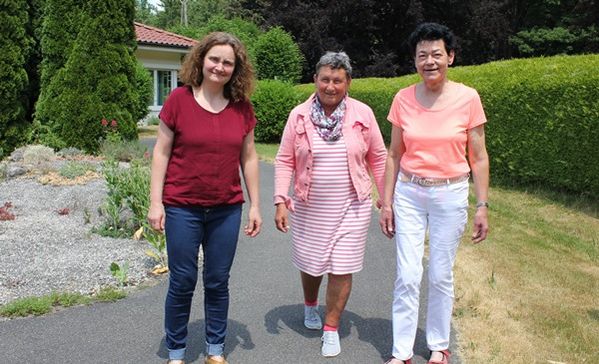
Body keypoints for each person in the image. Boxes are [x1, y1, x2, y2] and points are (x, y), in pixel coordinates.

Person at [147, 32, 262, 364]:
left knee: (217, 281)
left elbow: (250, 157)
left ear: (235, 69)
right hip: (183, 206)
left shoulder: (242, 108)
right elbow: (161, 153)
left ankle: (215, 348)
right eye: (215, 59)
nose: (220, 66)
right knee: (182, 281)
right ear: (201, 59)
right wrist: (156, 202)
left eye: (228, 62)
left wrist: (255, 204)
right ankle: (177, 351)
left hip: (226, 208)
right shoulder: (178, 100)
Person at [379, 23, 489, 364]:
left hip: (450, 193)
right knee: (408, 274)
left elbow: (479, 155)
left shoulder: (468, 98)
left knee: (441, 273)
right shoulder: (402, 99)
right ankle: (402, 352)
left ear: (450, 57)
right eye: (422, 55)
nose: (430, 61)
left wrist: (482, 205)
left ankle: (439, 345)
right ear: (414, 61)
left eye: (437, 54)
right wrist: (386, 202)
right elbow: (394, 154)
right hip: (409, 192)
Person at [274, 51, 387, 358]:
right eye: (325, 79)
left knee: (342, 265)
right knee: (312, 262)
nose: (330, 86)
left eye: (337, 80)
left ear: (348, 82)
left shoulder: (363, 114)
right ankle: (311, 306)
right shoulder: (298, 115)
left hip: (353, 204)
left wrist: (386, 196)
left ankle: (331, 327)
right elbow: (284, 160)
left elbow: (378, 156)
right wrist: (280, 199)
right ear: (315, 80)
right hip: (310, 206)